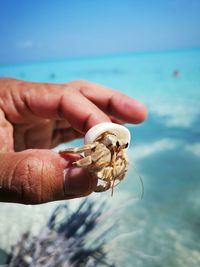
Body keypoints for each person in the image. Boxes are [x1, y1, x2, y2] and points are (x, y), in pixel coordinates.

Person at [0, 78, 147, 204]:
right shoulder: (103, 145)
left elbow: (120, 164)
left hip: (109, 143)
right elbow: (94, 148)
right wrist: (73, 162)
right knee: (84, 165)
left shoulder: (117, 149)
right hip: (99, 143)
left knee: (123, 162)